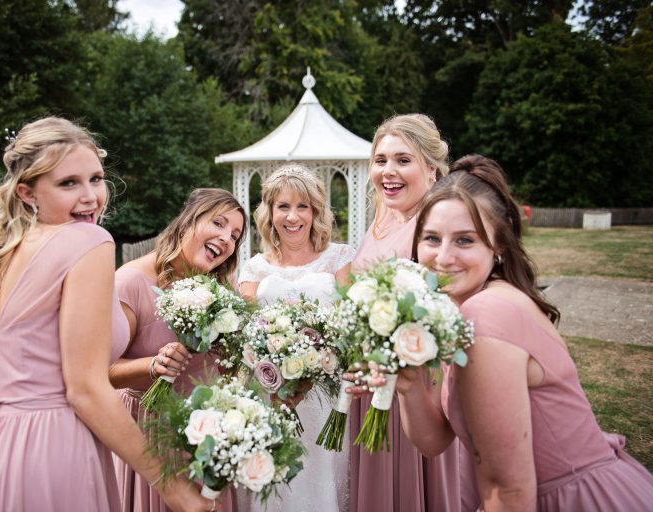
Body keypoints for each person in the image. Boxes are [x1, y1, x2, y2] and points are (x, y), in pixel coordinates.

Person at [0, 117, 216, 512]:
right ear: (27, 191)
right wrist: (172, 486)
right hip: (53, 448)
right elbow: (86, 390)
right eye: (68, 183)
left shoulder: (5, 249)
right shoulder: (89, 242)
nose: (91, 196)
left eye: (96, 179)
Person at [399, 154, 653, 510]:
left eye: (465, 240)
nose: (442, 257)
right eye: (431, 238)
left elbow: (509, 491)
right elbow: (434, 440)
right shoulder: (460, 311)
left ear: (499, 244)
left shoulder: (487, 312)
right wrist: (406, 381)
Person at [342, 114, 469, 512]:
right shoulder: (382, 220)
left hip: (413, 384)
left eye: (402, 160)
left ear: (431, 169)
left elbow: (449, 306)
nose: (388, 172)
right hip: (372, 381)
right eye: (380, 161)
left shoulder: (432, 228)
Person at [110, 188, 246, 512]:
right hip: (148, 436)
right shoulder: (130, 283)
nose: (226, 238)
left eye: (235, 235)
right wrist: (154, 365)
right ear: (188, 221)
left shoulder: (223, 290)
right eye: (218, 223)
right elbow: (102, 372)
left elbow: (228, 367)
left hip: (208, 434)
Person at [237, 163, 355, 511]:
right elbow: (247, 333)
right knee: (276, 482)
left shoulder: (340, 257)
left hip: (324, 396)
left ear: (315, 212)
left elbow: (351, 322)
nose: (293, 216)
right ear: (270, 213)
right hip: (272, 394)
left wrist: (318, 357)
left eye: (302, 206)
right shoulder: (255, 267)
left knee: (320, 482)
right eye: (283, 206)